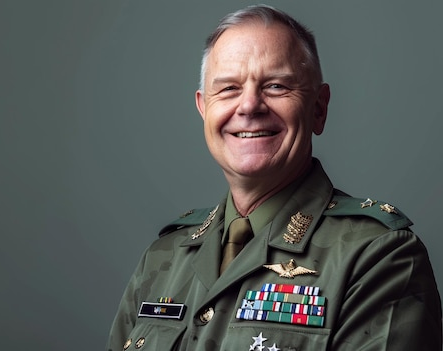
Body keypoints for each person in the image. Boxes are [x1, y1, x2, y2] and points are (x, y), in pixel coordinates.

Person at [106, 4, 442, 351]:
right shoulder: (164, 256)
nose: (249, 106)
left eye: (276, 86)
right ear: (204, 109)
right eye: (228, 89)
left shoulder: (376, 256)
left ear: (318, 109)